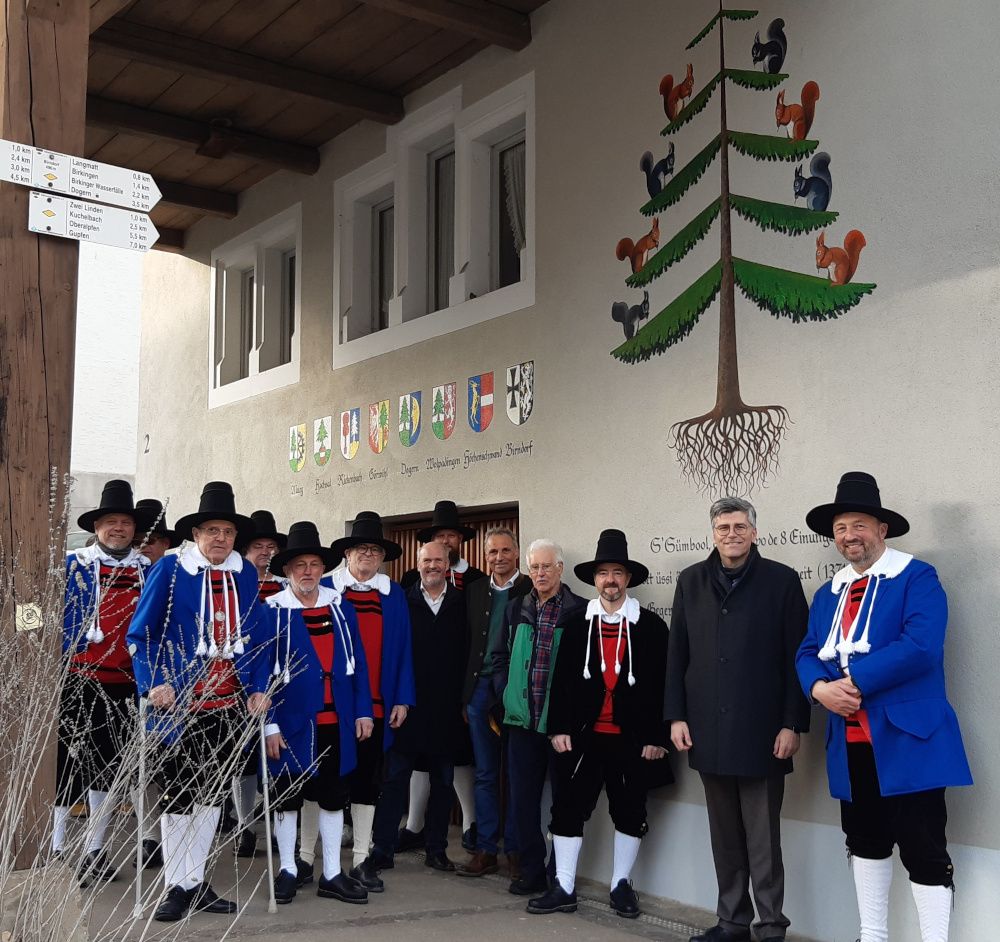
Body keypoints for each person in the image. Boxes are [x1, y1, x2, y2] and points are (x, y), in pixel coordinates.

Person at [796, 472, 972, 942]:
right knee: (864, 841)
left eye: (858, 525)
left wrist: (853, 681)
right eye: (840, 528)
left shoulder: (917, 577)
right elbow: (808, 651)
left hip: (909, 739)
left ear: (882, 529)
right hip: (850, 741)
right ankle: (872, 935)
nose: (849, 536)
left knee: (923, 848)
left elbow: (922, 644)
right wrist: (819, 689)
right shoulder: (827, 594)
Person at [666, 497, 810, 942]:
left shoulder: (782, 581)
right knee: (725, 838)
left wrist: (792, 722)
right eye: (723, 527)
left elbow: (798, 657)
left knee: (764, 840)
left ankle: (770, 926)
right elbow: (677, 656)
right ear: (713, 534)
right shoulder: (691, 581)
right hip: (707, 730)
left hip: (764, 732)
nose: (731, 534)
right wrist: (676, 717)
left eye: (739, 526)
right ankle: (731, 922)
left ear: (754, 532)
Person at [128, 481, 273, 922]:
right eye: (212, 530)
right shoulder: (171, 570)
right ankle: (177, 884)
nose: (220, 538)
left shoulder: (244, 574)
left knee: (212, 796)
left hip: (227, 704)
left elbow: (258, 638)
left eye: (227, 531)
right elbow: (140, 633)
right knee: (179, 795)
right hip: (179, 705)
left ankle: (194, 880)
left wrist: (258, 686)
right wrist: (154, 683)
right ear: (196, 534)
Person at [528, 529, 671, 918]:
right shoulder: (577, 624)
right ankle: (564, 886)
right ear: (594, 579)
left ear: (628, 578)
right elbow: (561, 681)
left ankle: (621, 885)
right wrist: (558, 728)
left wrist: (658, 736)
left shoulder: (651, 627)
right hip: (582, 737)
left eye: (617, 573)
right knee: (567, 809)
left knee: (630, 810)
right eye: (604, 573)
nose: (610, 580)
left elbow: (664, 685)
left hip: (632, 738)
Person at [262, 521, 372, 905]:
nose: (307, 571)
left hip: (336, 721)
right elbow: (261, 674)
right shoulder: (273, 611)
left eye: (313, 564)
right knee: (288, 797)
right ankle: (288, 870)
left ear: (323, 568)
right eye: (300, 565)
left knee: (333, 796)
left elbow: (358, 663)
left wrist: (363, 711)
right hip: (290, 723)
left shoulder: (340, 606)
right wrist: (268, 725)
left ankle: (332, 873)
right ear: (288, 570)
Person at [57, 480, 154, 884]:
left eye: (126, 522)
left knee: (109, 769)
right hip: (77, 678)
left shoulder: (148, 570)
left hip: (125, 685)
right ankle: (56, 848)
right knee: (65, 766)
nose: (118, 528)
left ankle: (95, 849)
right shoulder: (72, 565)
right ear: (97, 526)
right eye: (111, 521)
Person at [324, 511, 415, 892]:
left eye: (374, 550)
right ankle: (314, 860)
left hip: (378, 704)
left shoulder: (392, 595)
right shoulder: (326, 589)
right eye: (361, 548)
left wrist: (403, 699)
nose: (367, 555)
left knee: (367, 781)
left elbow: (404, 648)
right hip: (332, 705)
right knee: (325, 781)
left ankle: (362, 859)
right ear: (347, 554)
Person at [368, 541, 467, 874]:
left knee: (443, 783)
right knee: (395, 779)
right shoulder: (402, 600)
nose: (432, 566)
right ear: (417, 563)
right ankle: (382, 848)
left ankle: (436, 850)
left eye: (439, 560)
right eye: (427, 560)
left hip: (447, 709)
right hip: (406, 706)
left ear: (448, 564)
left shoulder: (461, 602)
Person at [494, 538, 585, 896]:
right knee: (522, 802)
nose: (541, 573)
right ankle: (530, 871)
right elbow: (499, 657)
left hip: (561, 727)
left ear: (560, 568)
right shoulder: (516, 608)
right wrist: (505, 694)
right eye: (535, 567)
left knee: (565, 802)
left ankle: (558, 874)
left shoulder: (579, 611)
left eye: (547, 566)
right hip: (521, 723)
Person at [399, 500, 484, 855]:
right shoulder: (409, 581)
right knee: (419, 756)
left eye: (451, 536)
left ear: (459, 542)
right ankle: (414, 825)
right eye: (440, 536)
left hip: (456, 683)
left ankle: (470, 823)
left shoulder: (476, 580)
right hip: (419, 684)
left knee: (460, 755)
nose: (446, 541)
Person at [457, 527, 530, 878]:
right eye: (492, 552)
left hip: (515, 692)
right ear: (485, 556)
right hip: (478, 691)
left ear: (516, 553)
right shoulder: (473, 591)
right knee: (485, 773)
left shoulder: (529, 588)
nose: (498, 557)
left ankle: (515, 850)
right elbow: (465, 643)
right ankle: (486, 849)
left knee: (515, 773)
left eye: (505, 551)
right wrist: (465, 697)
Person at [233, 509, 289, 860]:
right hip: (242, 680)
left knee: (276, 753)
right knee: (243, 758)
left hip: (280, 680)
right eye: (258, 546)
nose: (266, 552)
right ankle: (245, 825)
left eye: (271, 546)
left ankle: (281, 827)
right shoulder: (234, 584)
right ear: (246, 551)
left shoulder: (285, 586)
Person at [133, 498, 179, 565]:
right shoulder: (122, 570)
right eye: (137, 542)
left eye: (149, 540)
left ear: (166, 543)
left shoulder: (176, 570)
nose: (142, 546)